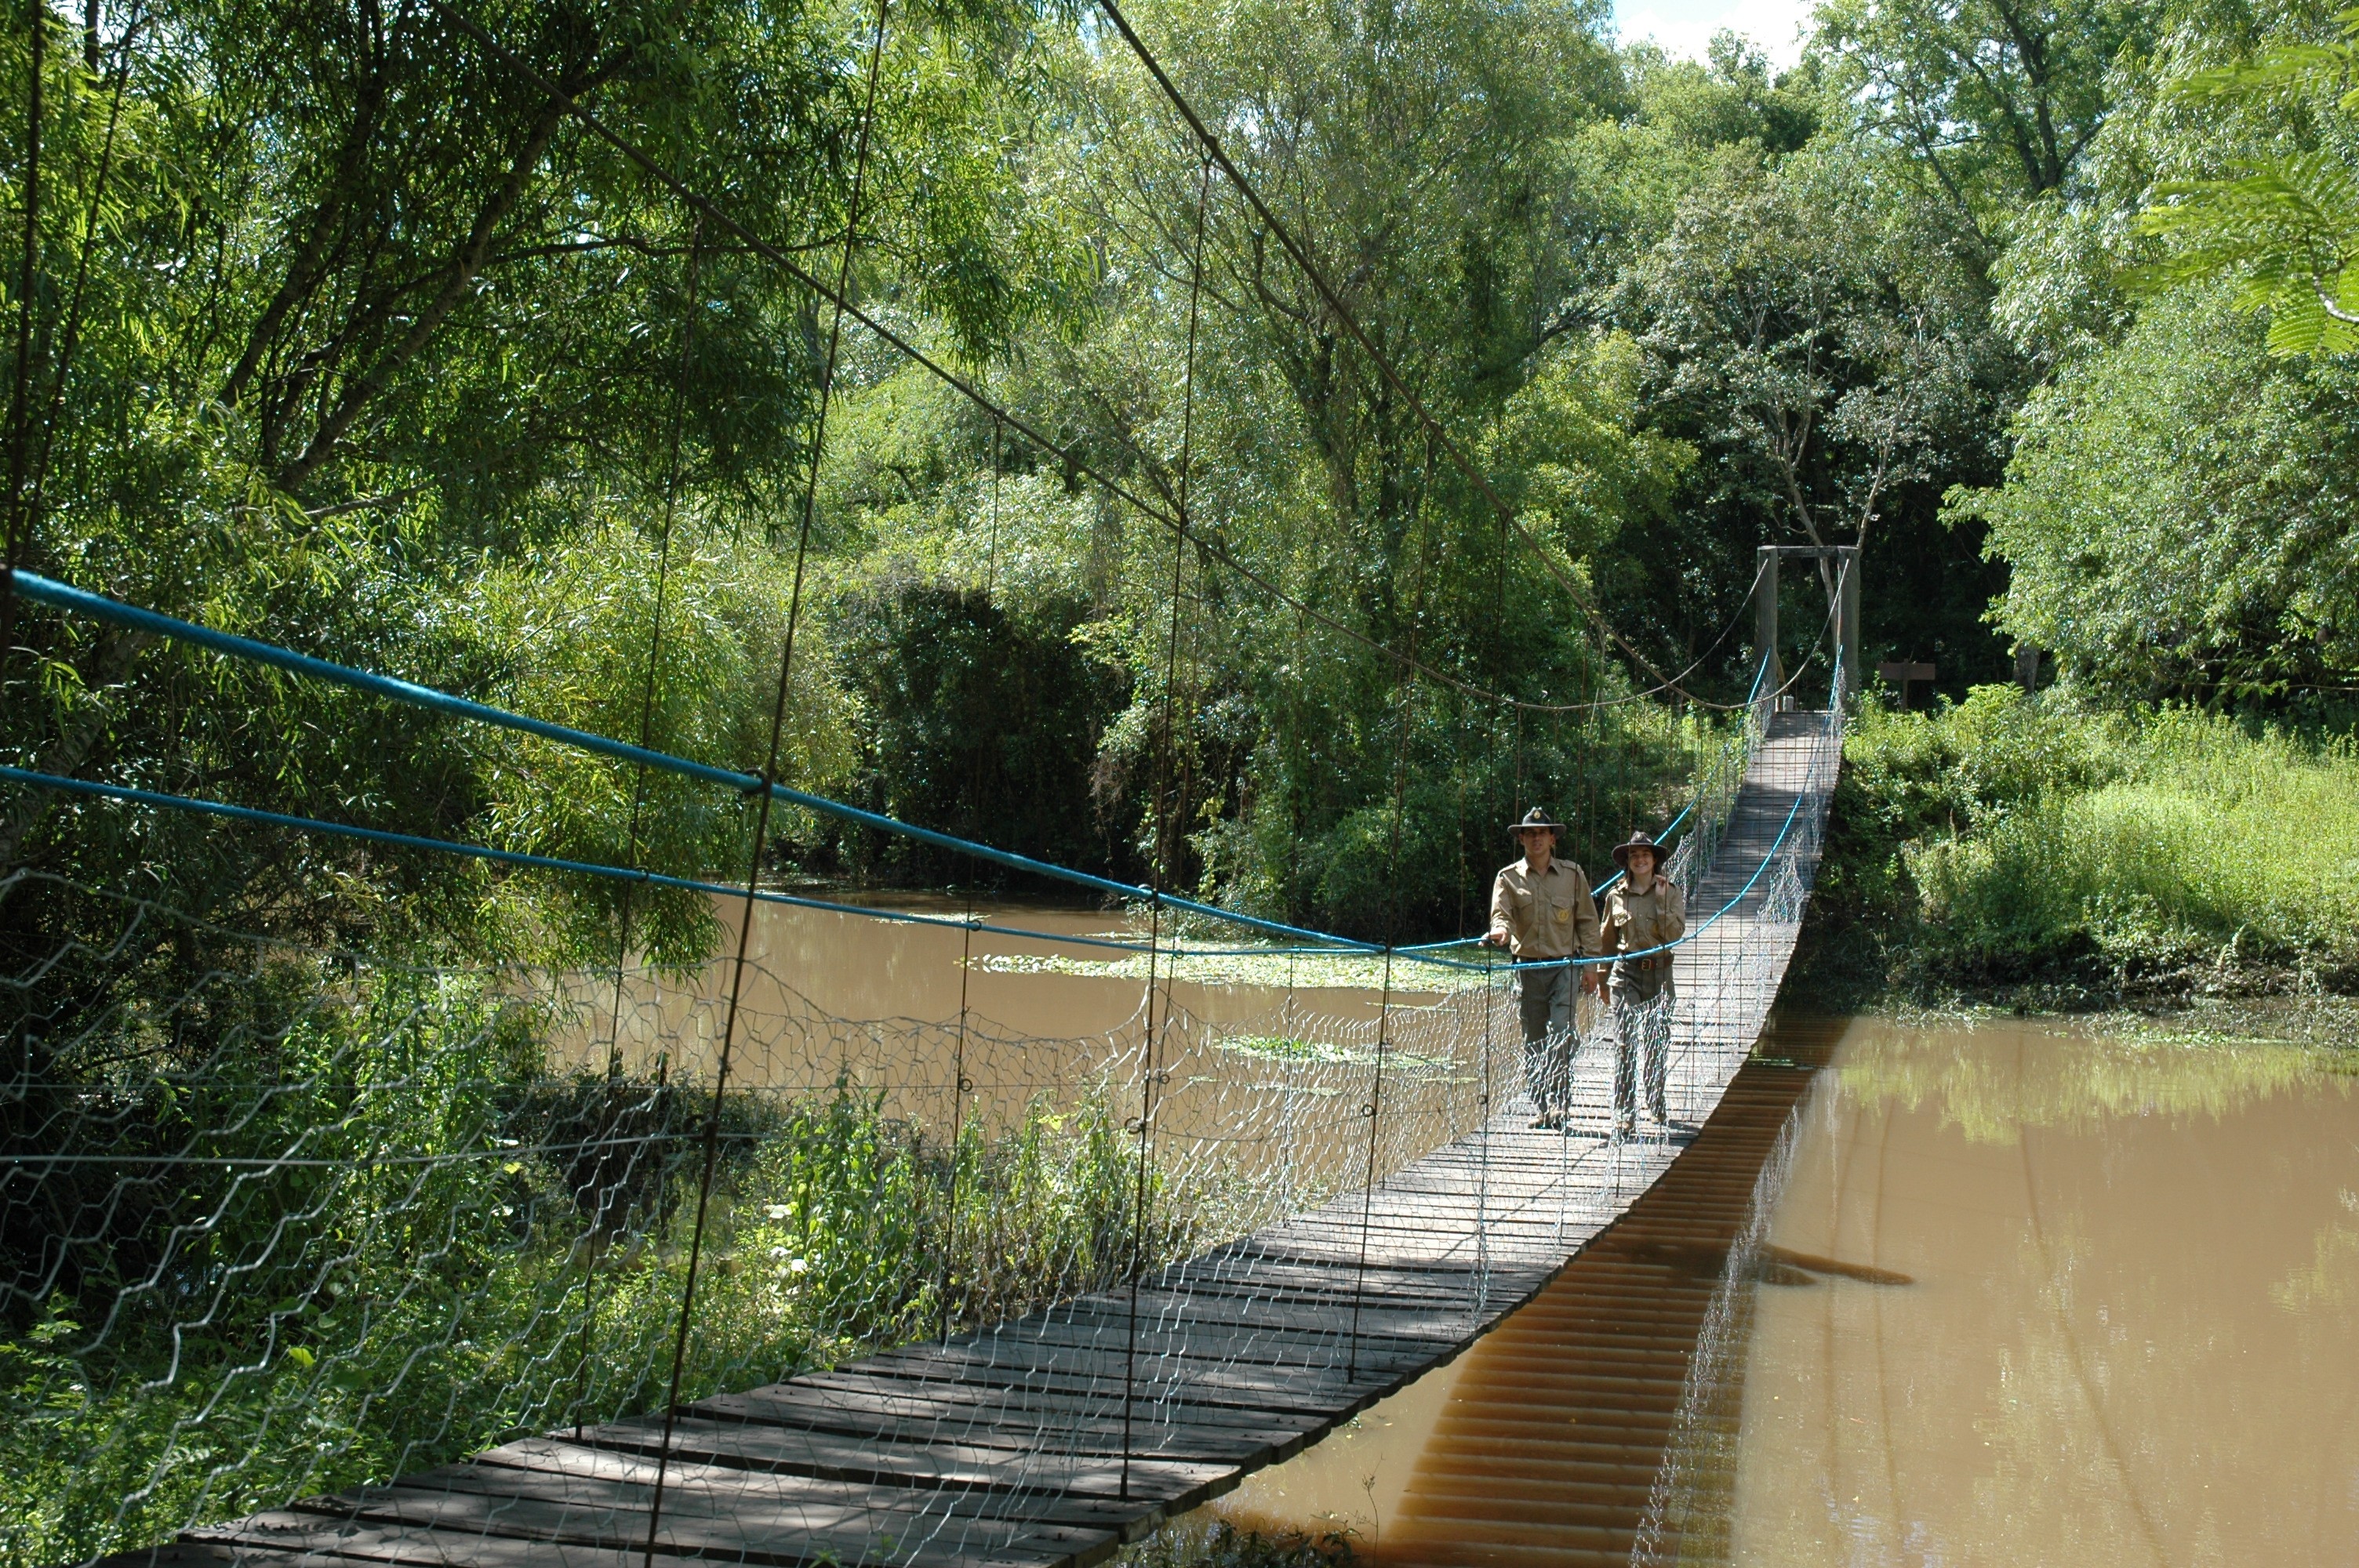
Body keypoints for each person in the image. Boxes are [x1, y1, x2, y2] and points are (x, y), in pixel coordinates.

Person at [1484, 808, 1601, 1129]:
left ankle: (1561, 1104)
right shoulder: (1507, 878)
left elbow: (1589, 922)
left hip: (1565, 966)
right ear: (1522, 838)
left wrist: (1592, 966)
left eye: (1542, 833)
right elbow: (1502, 916)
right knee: (1534, 1039)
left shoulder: (1572, 875)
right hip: (1527, 969)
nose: (1537, 838)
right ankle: (1540, 1106)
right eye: (1530, 833)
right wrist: (1500, 932)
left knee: (1562, 1032)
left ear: (1553, 839)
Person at [1601, 829, 1685, 1133]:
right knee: (1625, 1044)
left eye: (1645, 855)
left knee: (1656, 1042)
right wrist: (1600, 980)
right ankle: (1624, 1111)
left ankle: (1655, 1100)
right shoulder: (1615, 895)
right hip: (1625, 973)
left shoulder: (1671, 892)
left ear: (1654, 860)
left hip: (1661, 975)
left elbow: (1674, 935)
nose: (1639, 860)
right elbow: (1606, 943)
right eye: (1634, 855)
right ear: (1627, 861)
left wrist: (1661, 902)